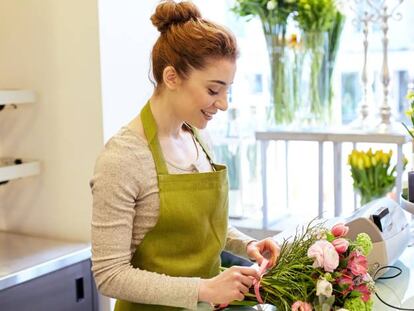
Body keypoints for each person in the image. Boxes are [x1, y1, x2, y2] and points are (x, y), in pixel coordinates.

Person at [90, 1, 280, 310]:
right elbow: (109, 275)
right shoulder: (123, 159)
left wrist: (245, 244)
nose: (223, 104)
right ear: (172, 77)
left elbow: (203, 227)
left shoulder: (198, 137)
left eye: (227, 91)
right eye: (213, 90)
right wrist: (204, 289)